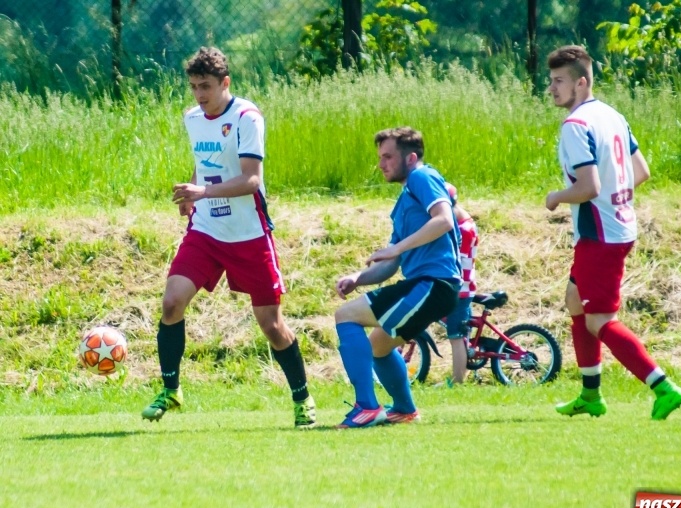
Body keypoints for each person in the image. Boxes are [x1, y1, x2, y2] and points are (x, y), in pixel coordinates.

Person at [141, 47, 316, 428]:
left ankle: (302, 398)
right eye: (193, 87)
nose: (199, 95)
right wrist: (191, 196)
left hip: (249, 235)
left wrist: (203, 192)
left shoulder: (246, 117)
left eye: (205, 86)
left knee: (271, 325)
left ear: (225, 83)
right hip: (206, 230)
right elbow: (205, 166)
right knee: (172, 303)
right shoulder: (192, 118)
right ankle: (171, 390)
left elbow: (252, 179)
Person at [544, 45, 681, 420]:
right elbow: (641, 171)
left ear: (582, 82)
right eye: (551, 80)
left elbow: (588, 187)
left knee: (599, 320)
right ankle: (590, 395)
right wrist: (616, 198)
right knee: (575, 300)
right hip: (619, 227)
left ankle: (662, 386)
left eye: (559, 81)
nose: (552, 88)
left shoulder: (575, 126)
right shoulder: (611, 114)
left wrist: (557, 197)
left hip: (600, 237)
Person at [333, 126, 462, 428]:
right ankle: (404, 410)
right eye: (380, 157)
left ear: (411, 157)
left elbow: (443, 220)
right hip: (429, 287)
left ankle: (366, 407)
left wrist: (396, 249)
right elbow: (391, 263)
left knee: (345, 316)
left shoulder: (422, 176)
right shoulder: (404, 202)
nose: (381, 164)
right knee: (378, 347)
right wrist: (358, 278)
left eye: (388, 157)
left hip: (433, 284)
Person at [443, 183, 479, 385]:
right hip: (463, 287)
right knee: (458, 334)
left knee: (456, 336)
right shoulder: (466, 223)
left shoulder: (464, 230)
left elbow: (457, 260)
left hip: (460, 290)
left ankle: (457, 381)